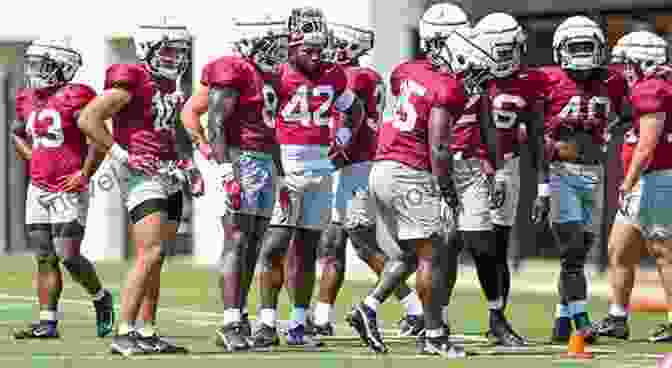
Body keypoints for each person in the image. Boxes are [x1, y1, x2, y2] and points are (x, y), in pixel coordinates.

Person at [345, 7, 494, 356]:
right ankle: (434, 335)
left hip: (383, 166)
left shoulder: (409, 70)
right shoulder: (450, 88)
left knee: (410, 254)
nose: (475, 79)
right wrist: (447, 192)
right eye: (474, 69)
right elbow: (440, 145)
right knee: (435, 254)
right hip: (408, 171)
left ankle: (368, 308)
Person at [251, 6, 365, 349]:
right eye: (308, 51)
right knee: (274, 245)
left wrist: (343, 139)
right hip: (287, 165)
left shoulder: (334, 75)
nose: (315, 57)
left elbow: (354, 110)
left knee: (307, 249)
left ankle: (299, 325)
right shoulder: (277, 75)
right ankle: (266, 323)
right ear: (291, 46)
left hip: (321, 168)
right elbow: (261, 123)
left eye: (319, 50)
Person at [78, 20, 192, 356]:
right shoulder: (132, 80)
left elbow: (172, 131)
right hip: (142, 172)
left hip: (168, 170)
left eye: (180, 51)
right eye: (169, 50)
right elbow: (88, 118)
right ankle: (124, 331)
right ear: (149, 49)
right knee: (150, 252)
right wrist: (121, 154)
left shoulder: (171, 83)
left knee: (158, 258)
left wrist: (188, 163)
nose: (175, 58)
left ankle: (147, 330)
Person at [180, 16, 289, 352]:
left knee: (255, 243)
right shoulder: (234, 69)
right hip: (240, 160)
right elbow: (214, 122)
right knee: (237, 239)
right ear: (251, 43)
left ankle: (240, 317)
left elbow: (271, 131)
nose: (280, 51)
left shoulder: (269, 74)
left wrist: (281, 174)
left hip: (264, 161)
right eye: (273, 44)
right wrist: (226, 170)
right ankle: (230, 321)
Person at [310, 22, 424, 337]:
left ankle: (415, 310)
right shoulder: (365, 76)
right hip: (350, 166)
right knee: (333, 244)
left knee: (363, 246)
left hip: (355, 166)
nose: (330, 47)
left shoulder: (351, 76)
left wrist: (338, 146)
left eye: (336, 42)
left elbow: (349, 118)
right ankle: (321, 319)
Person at [10, 37, 114, 340]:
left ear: (62, 67)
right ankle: (47, 322)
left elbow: (100, 137)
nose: (34, 71)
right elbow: (17, 132)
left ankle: (100, 298)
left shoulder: (77, 95)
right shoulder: (27, 97)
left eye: (41, 65)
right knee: (44, 256)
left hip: (67, 188)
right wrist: (34, 158)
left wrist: (85, 173)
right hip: (38, 188)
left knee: (68, 255)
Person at [540, 16, 628, 343]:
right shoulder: (546, 80)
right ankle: (581, 320)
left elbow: (630, 114)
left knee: (578, 252)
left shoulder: (613, 82)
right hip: (561, 173)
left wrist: (608, 131)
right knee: (574, 251)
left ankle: (561, 323)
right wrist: (549, 151)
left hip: (595, 172)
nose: (581, 55)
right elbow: (526, 128)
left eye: (586, 46)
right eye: (575, 47)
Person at [470, 12, 550, 346]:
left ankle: (497, 318)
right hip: (469, 166)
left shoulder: (529, 82)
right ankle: (431, 317)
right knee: (453, 245)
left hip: (508, 167)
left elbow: (535, 136)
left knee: (497, 247)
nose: (509, 56)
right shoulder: (469, 78)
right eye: (501, 50)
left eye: (511, 49)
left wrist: (543, 187)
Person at [589, 31, 672, 343]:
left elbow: (648, 146)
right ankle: (617, 317)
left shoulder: (652, 89)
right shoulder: (654, 86)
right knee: (619, 248)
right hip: (647, 180)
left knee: (664, 252)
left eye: (627, 63)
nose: (623, 70)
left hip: (656, 179)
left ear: (644, 61)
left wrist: (627, 181)